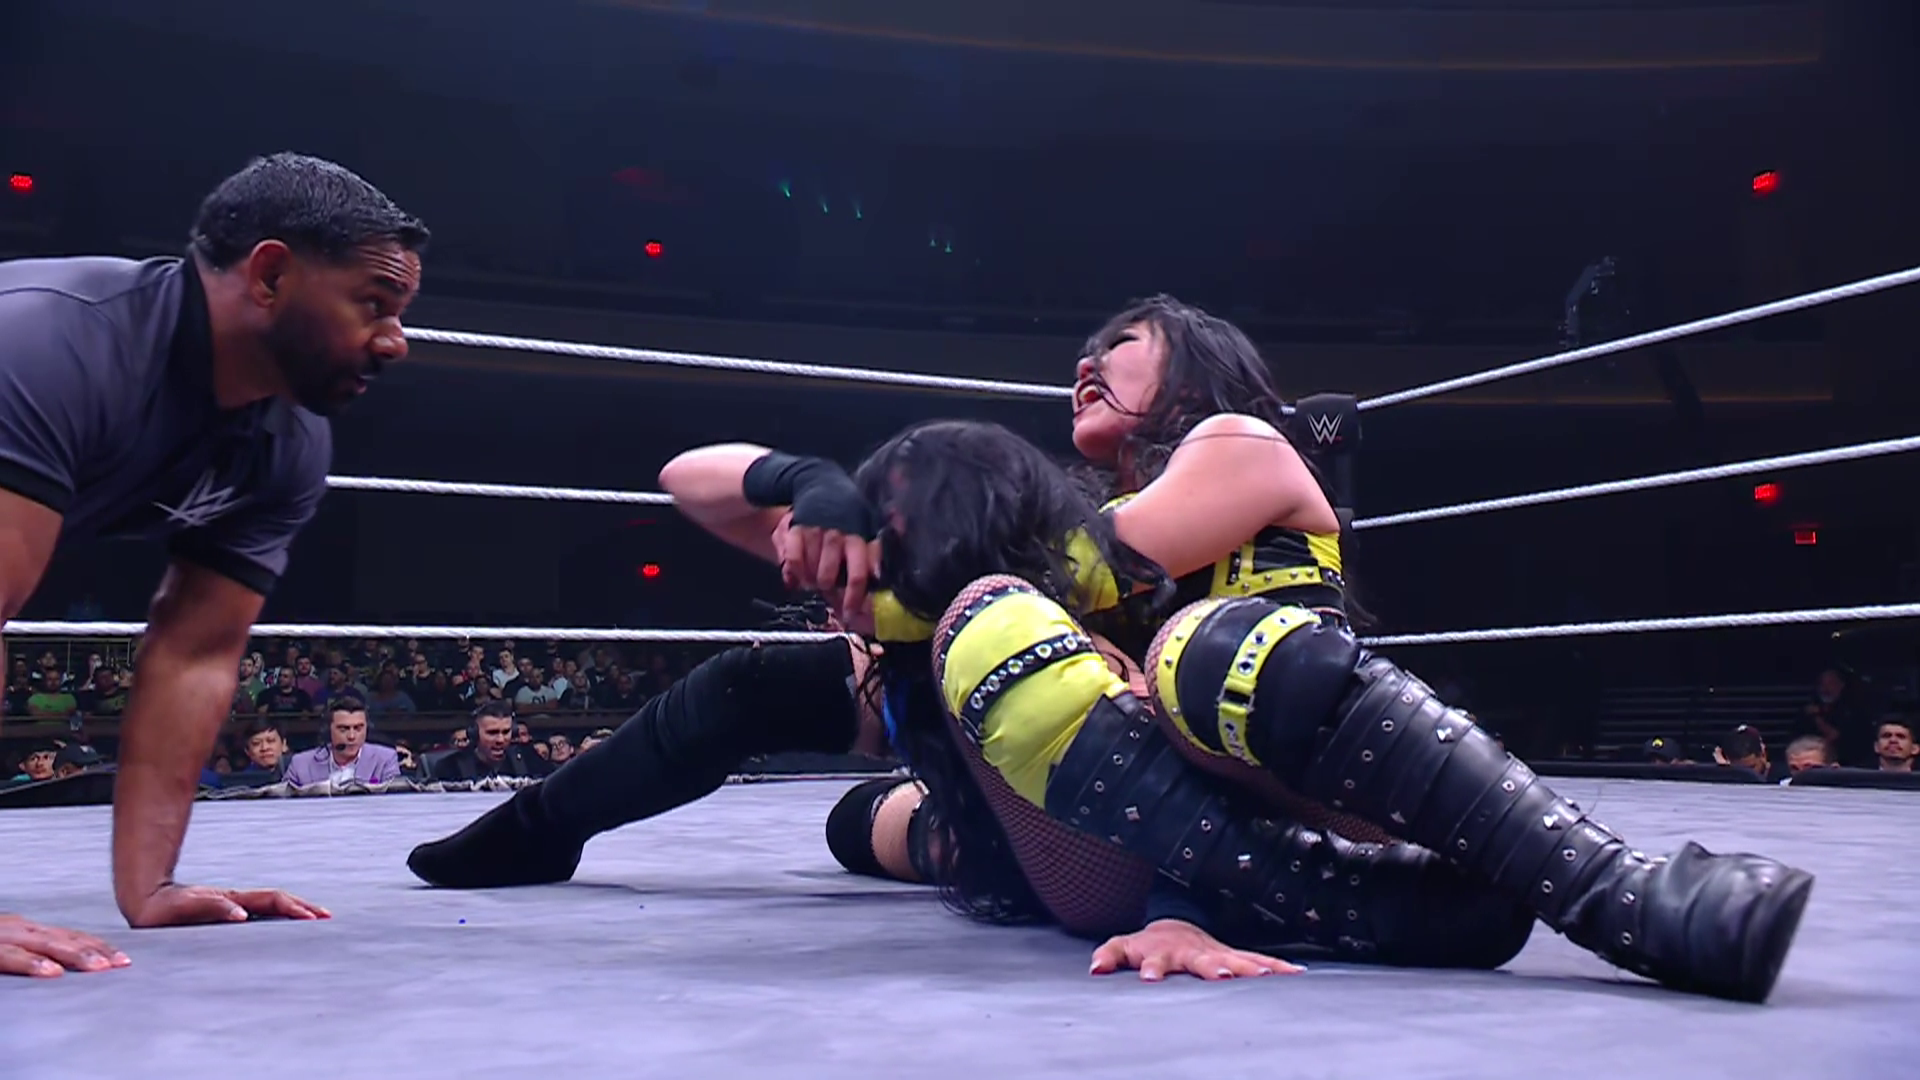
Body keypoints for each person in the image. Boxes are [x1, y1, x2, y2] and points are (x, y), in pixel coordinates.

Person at [834, 418, 1811, 1002]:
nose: (870, 541)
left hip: (1305, 783)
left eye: (892, 517)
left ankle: (1614, 892)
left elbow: (1177, 697)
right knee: (973, 664)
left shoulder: (1182, 505)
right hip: (1128, 853)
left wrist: (1179, 906)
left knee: (1198, 648)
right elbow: (862, 820)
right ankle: (1347, 901)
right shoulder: (935, 634)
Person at [0, 152, 428, 979]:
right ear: (270, 276)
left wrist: (151, 887)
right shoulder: (50, 345)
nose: (395, 342)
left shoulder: (287, 443)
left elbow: (194, 653)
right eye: (374, 304)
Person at [826, 294, 1358, 896]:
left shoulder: (1246, 445)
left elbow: (1083, 568)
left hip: (1295, 785)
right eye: (1087, 353)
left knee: (997, 617)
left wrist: (881, 601)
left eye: (1121, 343)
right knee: (859, 816)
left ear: (1194, 377)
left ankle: (1214, 895)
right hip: (1147, 822)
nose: (1086, 365)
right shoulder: (1093, 516)